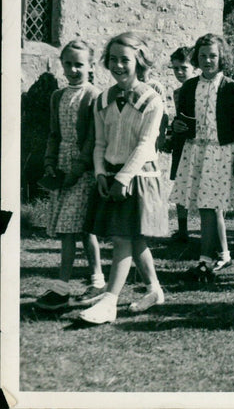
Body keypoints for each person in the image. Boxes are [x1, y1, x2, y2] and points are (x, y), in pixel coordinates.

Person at [78, 33, 168, 324]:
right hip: (112, 175)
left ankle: (109, 302)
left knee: (121, 239)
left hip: (138, 177)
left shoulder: (152, 99)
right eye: (113, 59)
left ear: (138, 62)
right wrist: (101, 173)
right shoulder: (102, 99)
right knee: (135, 239)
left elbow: (146, 144)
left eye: (125, 60)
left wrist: (123, 178)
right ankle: (154, 289)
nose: (118, 65)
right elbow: (100, 143)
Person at [34, 40, 106, 311]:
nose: (74, 69)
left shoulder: (94, 95)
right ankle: (97, 281)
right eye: (69, 64)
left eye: (80, 64)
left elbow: (92, 138)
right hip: (62, 166)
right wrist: (50, 163)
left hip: (83, 169)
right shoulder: (58, 96)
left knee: (72, 229)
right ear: (61, 65)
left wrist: (77, 169)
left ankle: (62, 287)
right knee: (80, 228)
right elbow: (54, 134)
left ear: (90, 66)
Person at [170, 34, 234, 282]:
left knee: (209, 206)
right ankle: (223, 254)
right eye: (202, 56)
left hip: (220, 151)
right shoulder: (189, 87)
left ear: (221, 57)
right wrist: (178, 127)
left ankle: (204, 260)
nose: (207, 60)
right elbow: (182, 120)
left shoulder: (232, 88)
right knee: (210, 206)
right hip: (195, 150)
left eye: (213, 55)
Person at [166, 46, 196, 244]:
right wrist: (173, 127)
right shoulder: (177, 92)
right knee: (180, 184)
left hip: (197, 142)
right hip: (181, 143)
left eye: (183, 68)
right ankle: (182, 229)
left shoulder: (198, 89)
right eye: (175, 68)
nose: (179, 72)